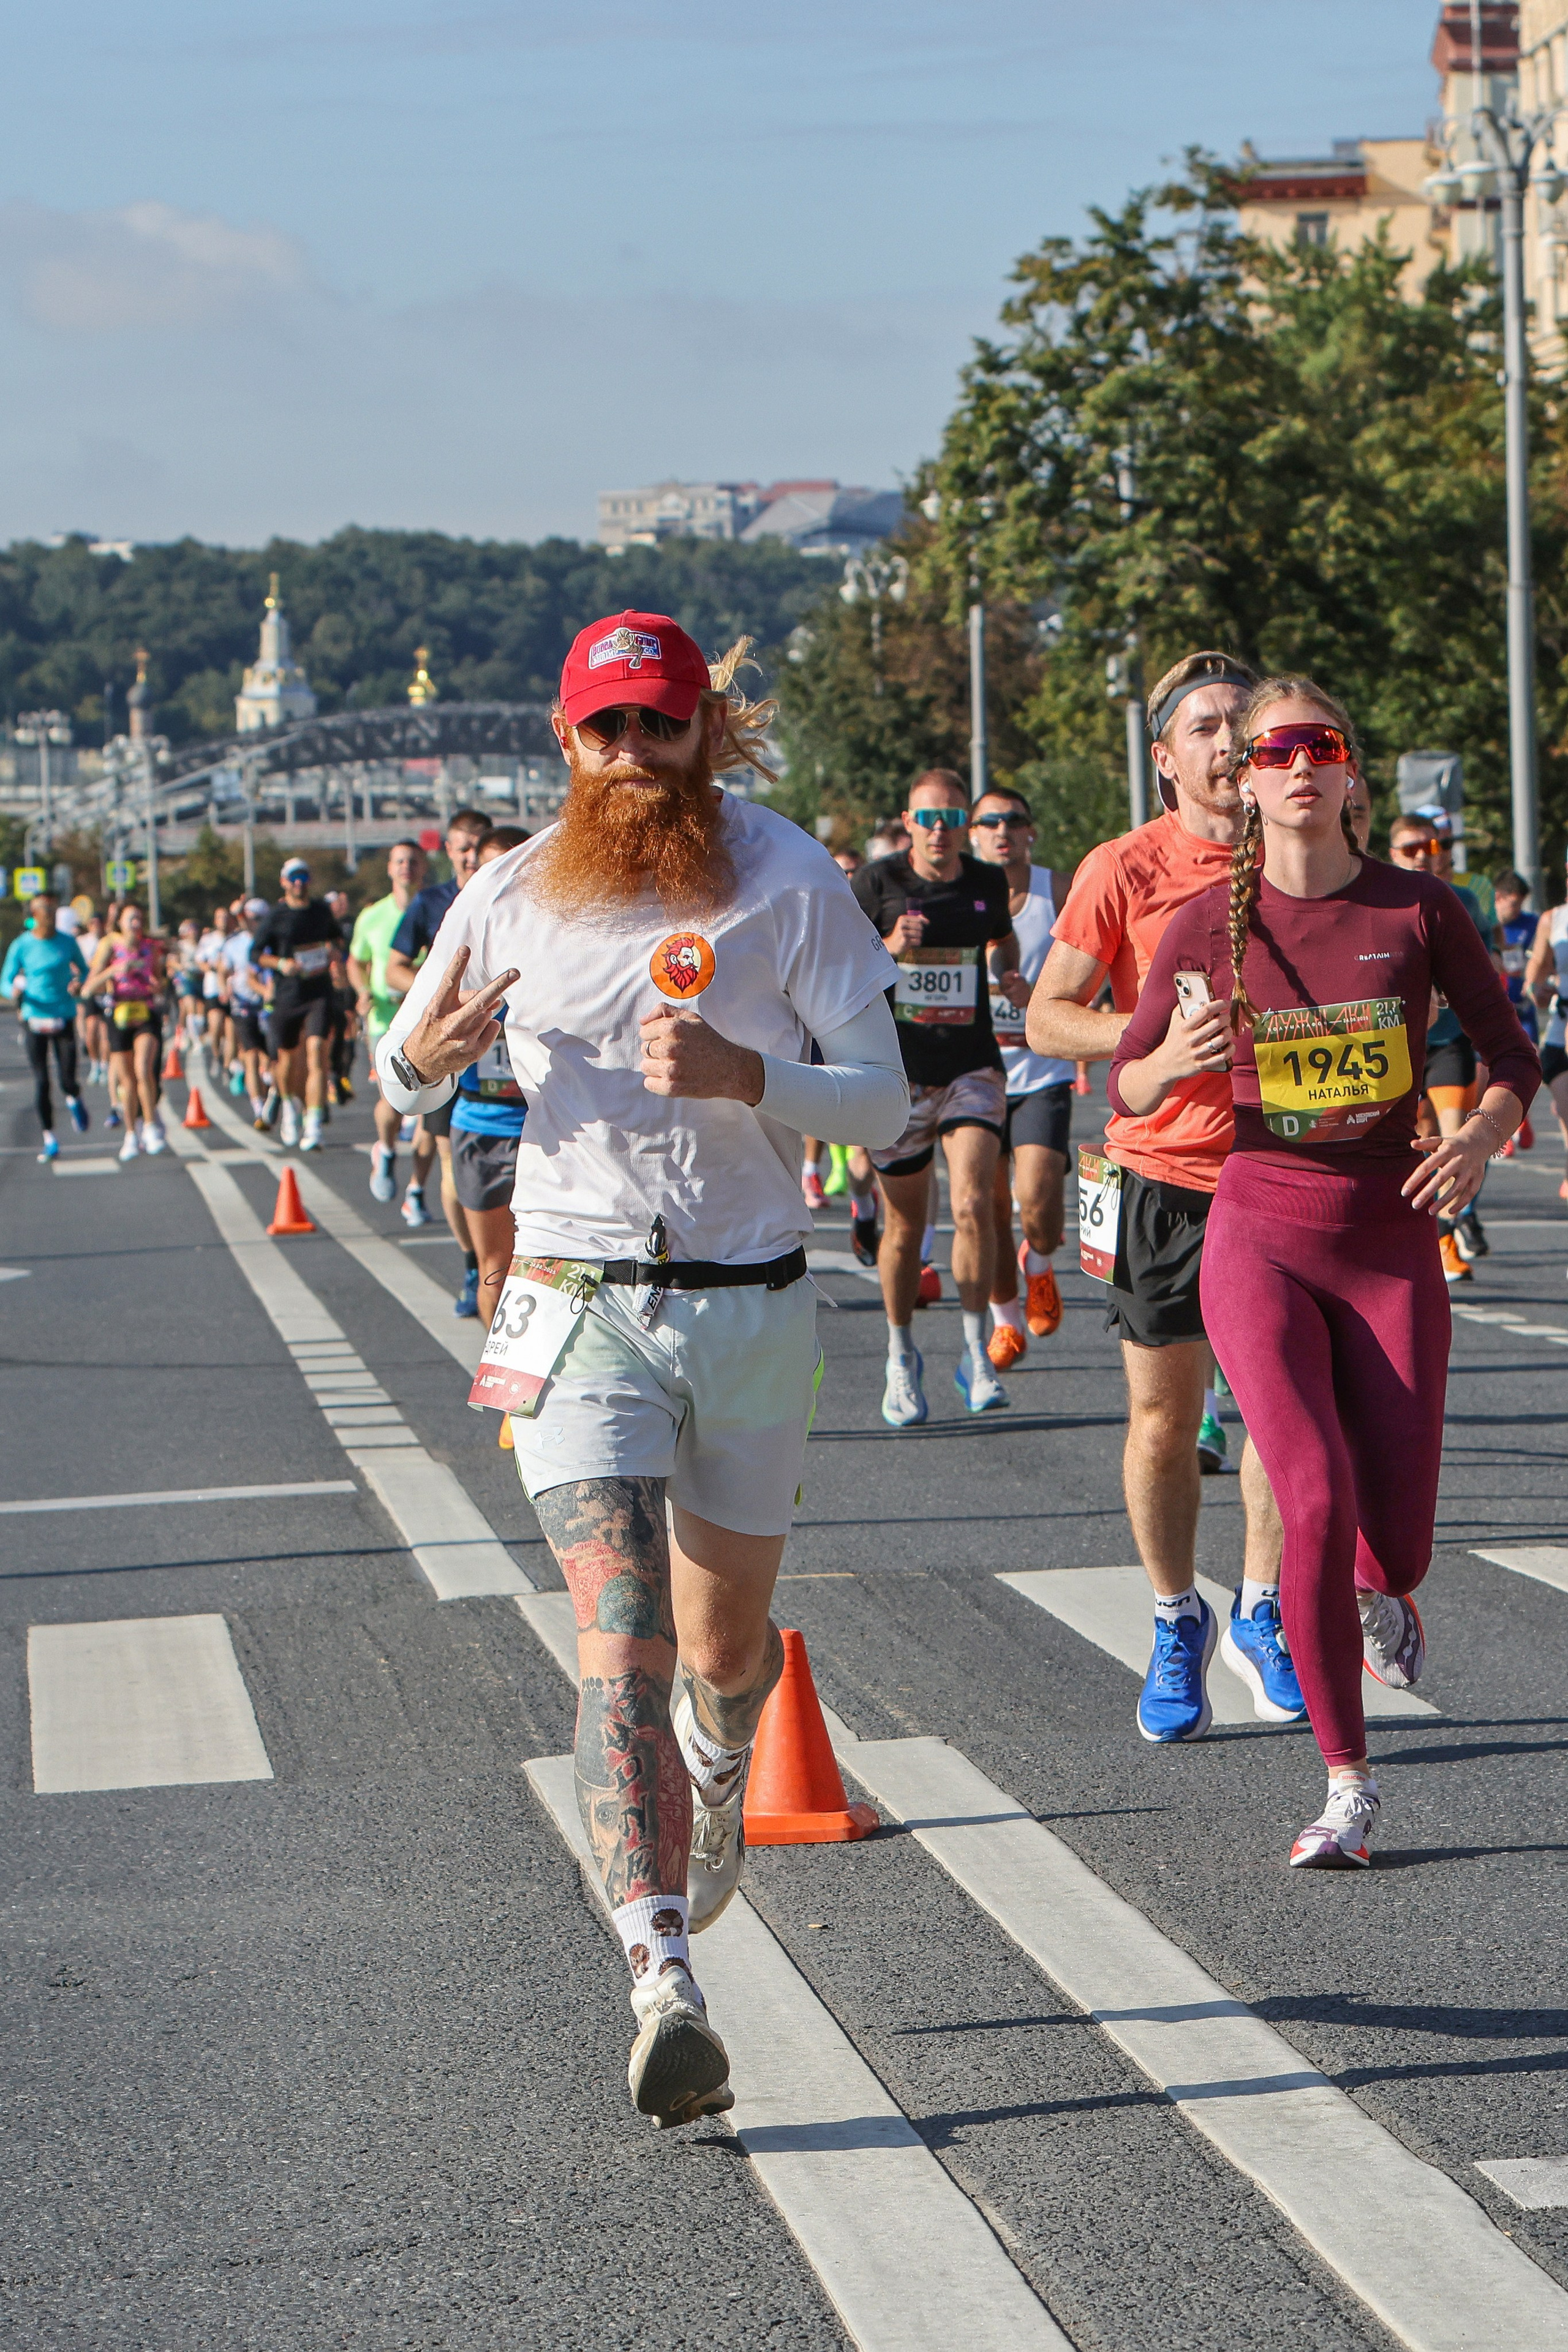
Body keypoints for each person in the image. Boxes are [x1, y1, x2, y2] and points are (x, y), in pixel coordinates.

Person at [375, 609, 906, 2126]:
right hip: (572, 1294)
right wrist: (432, 1055)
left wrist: (756, 1077)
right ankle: (660, 1973)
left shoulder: (788, 879)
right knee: (619, 1631)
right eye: (601, 730)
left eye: (655, 727)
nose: (628, 757)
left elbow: (880, 1108)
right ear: (564, 739)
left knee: (723, 1654)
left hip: (749, 1303)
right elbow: (395, 1068)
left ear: (705, 734)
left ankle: (721, 1760)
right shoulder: (505, 892)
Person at [1109, 675, 1538, 1866]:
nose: (1296, 766)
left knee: (1391, 1544)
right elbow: (1125, 1084)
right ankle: (1344, 1786)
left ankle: (1376, 1590)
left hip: (1390, 1234)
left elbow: (1511, 1058)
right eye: (1271, 750)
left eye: (1320, 746)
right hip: (1258, 1233)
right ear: (1241, 779)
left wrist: (1478, 1131)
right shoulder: (1206, 923)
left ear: (1351, 773)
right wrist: (1173, 1059)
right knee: (1302, 1495)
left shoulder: (1416, 910)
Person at [1027, 651, 1292, 1742]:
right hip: (1164, 1175)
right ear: (1166, 759)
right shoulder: (1123, 868)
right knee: (1164, 1419)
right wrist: (1155, 1042)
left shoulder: (1308, 852)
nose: (1230, 742)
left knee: (1283, 1411)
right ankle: (1177, 1614)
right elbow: (1048, 1018)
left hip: (1289, 1172)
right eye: (1207, 728)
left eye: (1246, 720)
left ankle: (1264, 1610)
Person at [852, 772, 1020, 1423]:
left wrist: (1007, 971)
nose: (940, 829)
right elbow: (836, 965)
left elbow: (1001, 935)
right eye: (928, 818)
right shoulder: (874, 885)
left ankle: (976, 1353)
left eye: (951, 816)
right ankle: (900, 1357)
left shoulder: (982, 883)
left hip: (971, 1066)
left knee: (977, 1201)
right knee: (905, 1226)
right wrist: (890, 949)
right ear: (908, 821)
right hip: (897, 1074)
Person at [967, 785, 1076, 1368]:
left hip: (1041, 1071)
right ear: (974, 835)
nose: (1002, 831)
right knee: (984, 1206)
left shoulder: (1058, 891)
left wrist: (1040, 1001)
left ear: (1031, 831)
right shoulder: (957, 896)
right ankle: (1005, 1321)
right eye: (989, 823)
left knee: (1036, 1202)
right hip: (975, 1073)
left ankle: (1039, 1261)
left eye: (1013, 821)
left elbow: (1094, 973)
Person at [386, 807, 492, 1305]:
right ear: (447, 851)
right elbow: (393, 970)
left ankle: (497, 1260)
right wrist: (436, 1005)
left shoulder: (512, 897)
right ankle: (474, 1262)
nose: (470, 855)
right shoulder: (432, 905)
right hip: (447, 1051)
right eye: (461, 846)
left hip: (501, 1052)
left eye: (478, 846)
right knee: (454, 1167)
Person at [1387, 814, 1496, 1279]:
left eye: (1430, 848)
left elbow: (1488, 969)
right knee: (1420, 1144)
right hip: (1400, 1045)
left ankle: (1463, 1214)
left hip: (1450, 1039)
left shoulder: (1464, 900)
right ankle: (1446, 1240)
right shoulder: (1379, 898)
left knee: (1455, 1142)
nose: (1422, 857)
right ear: (1391, 853)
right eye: (1410, 849)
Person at [448, 824, 533, 1316]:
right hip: (479, 1121)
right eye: (491, 870)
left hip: (546, 1127)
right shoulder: (461, 944)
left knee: (546, 1266)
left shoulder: (560, 938)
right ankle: (499, 1388)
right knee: (496, 1268)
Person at [347, 839, 434, 1205]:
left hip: (427, 1020)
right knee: (396, 1099)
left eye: (413, 861)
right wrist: (362, 989)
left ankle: (416, 1188)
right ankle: (384, 1148)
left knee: (430, 1107)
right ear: (389, 868)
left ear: (423, 868)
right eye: (400, 861)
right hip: (386, 1020)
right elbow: (356, 960)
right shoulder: (373, 916)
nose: (406, 867)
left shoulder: (437, 908)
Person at [254, 859, 346, 1152]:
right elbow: (255, 953)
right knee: (285, 1062)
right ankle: (290, 1108)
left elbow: (337, 939)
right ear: (284, 882)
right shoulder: (276, 916)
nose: (299, 883)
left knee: (318, 1053)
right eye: (293, 878)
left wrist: (332, 951)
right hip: (287, 996)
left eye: (304, 877)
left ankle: (314, 1123)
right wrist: (281, 963)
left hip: (319, 993)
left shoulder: (321, 911)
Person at [3, 894, 89, 1161]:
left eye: (53, 910)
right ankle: (49, 1138)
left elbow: (85, 971)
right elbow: (5, 980)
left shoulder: (66, 942)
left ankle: (74, 1098)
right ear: (35, 914)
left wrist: (78, 984)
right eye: (46, 911)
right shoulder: (22, 945)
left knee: (67, 1079)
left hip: (62, 1014)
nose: (50, 916)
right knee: (42, 1081)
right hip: (34, 1017)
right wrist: (15, 990)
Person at [85, 904, 167, 1158]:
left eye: (140, 918)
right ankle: (131, 1133)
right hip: (119, 1015)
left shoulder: (150, 947)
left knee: (144, 1069)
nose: (136, 923)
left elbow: (161, 981)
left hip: (145, 1013)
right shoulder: (110, 946)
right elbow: (89, 988)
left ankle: (151, 1126)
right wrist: (113, 971)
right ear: (120, 922)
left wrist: (157, 985)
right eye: (131, 918)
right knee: (127, 1080)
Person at [1525, 846, 1568, 1196]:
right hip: (1560, 1028)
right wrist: (1535, 988)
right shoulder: (1554, 919)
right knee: (1565, 1101)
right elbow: (1537, 967)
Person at [221, 897, 275, 1126]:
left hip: (270, 1007)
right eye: (247, 918)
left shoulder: (273, 942)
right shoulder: (234, 944)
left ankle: (271, 1087)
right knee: (250, 1055)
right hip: (244, 1004)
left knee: (273, 1058)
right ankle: (258, 1107)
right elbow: (223, 970)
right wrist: (224, 989)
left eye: (257, 919)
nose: (251, 923)